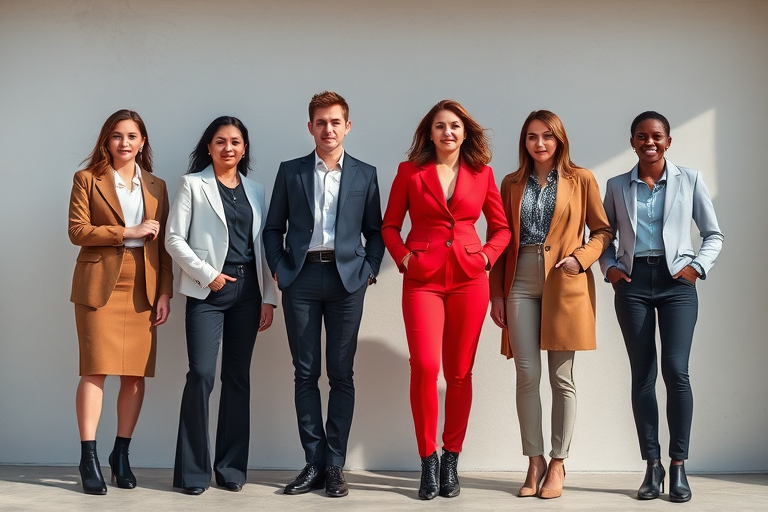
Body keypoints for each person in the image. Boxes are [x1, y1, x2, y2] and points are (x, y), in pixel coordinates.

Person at [382, 100, 511, 500]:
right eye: (440, 126)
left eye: (454, 125)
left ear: (465, 132)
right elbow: (389, 226)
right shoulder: (409, 172)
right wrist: (405, 258)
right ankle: (428, 460)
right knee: (424, 367)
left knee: (459, 373)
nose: (448, 132)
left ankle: (451, 458)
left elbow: (502, 229)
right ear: (430, 132)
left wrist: (485, 258)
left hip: (469, 281)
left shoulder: (483, 173)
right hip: (422, 280)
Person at [263, 91, 384, 498]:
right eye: (321, 122)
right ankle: (313, 462)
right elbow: (273, 228)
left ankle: (335, 465)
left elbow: (376, 231)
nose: (328, 129)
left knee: (341, 373)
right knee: (305, 372)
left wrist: (368, 269)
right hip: (301, 279)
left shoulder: (365, 174)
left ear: (347, 126)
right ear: (310, 127)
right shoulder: (291, 171)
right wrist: (279, 269)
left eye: (335, 122)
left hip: (347, 281)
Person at [599, 111, 723, 503]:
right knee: (643, 375)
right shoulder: (616, 186)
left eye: (656, 136)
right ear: (632, 142)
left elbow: (713, 234)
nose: (649, 142)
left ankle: (678, 465)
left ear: (668, 141)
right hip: (633, 283)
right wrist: (611, 269)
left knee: (676, 371)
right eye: (641, 136)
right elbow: (603, 235)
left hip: (676, 285)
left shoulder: (691, 179)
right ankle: (652, 466)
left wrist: (696, 268)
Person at [489, 110, 612, 499]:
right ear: (523, 142)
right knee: (526, 375)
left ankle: (558, 463)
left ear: (560, 140)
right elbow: (499, 237)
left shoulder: (582, 179)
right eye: (531, 137)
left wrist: (581, 259)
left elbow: (602, 230)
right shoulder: (510, 183)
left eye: (547, 136)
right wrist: (496, 293)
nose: (539, 143)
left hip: (564, 280)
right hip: (519, 280)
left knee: (562, 377)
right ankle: (534, 460)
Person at [166, 116, 278, 495]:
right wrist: (206, 273)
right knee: (201, 374)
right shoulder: (192, 185)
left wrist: (268, 298)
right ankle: (193, 473)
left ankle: (230, 468)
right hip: (208, 292)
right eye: (220, 141)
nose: (228, 148)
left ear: (244, 149)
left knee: (237, 378)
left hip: (248, 293)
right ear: (209, 147)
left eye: (235, 142)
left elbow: (262, 247)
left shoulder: (256, 190)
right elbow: (174, 238)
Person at [69, 109, 173, 495]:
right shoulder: (86, 179)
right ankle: (88, 458)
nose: (124, 142)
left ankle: (121, 455)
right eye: (116, 135)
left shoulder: (157, 186)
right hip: (99, 286)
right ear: (106, 140)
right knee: (95, 370)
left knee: (134, 374)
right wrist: (128, 231)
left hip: (143, 286)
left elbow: (164, 246)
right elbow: (77, 231)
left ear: (142, 142)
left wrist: (165, 292)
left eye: (131, 136)